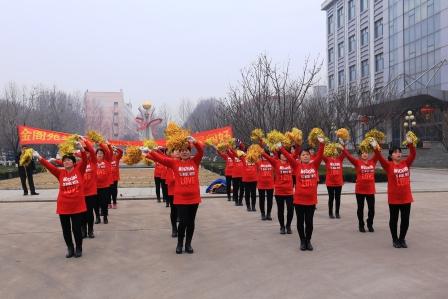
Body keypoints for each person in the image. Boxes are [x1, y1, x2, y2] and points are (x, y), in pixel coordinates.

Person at [144, 137, 204, 254]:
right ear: (179, 153)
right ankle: (180, 244)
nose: (185, 152)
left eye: (187, 150)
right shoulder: (174, 163)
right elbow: (161, 159)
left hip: (194, 198)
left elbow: (201, 151)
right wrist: (150, 151)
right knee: (182, 222)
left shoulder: (195, 161)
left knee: (191, 222)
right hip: (181, 198)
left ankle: (188, 244)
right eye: (182, 150)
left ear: (189, 151)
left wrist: (194, 142)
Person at [33, 141, 87, 258]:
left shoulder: (79, 170)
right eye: (65, 160)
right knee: (66, 230)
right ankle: (70, 248)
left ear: (73, 162)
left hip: (77, 206)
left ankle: (78, 248)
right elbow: (49, 166)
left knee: (77, 229)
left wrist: (82, 149)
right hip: (63, 206)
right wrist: (39, 157)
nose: (66, 162)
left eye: (69, 160)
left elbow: (85, 160)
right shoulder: (60, 173)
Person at [372, 137, 416, 248]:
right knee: (394, 219)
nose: (398, 154)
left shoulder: (406, 163)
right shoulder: (388, 165)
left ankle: (402, 239)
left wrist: (411, 144)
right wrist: (375, 147)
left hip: (406, 197)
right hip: (394, 198)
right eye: (395, 152)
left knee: (405, 220)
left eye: (399, 152)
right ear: (391, 156)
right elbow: (379, 158)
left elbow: (413, 154)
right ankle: (395, 239)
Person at [282, 137, 324, 251]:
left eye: (307, 155)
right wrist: (280, 147)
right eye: (303, 155)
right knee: (300, 222)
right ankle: (302, 241)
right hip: (299, 200)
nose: (305, 156)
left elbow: (320, 155)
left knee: (309, 223)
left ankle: (308, 241)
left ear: (310, 156)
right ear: (300, 157)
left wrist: (322, 143)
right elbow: (288, 156)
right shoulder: (296, 166)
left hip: (311, 200)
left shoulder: (314, 165)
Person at [342, 142, 378, 233]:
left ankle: (370, 223)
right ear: (360, 154)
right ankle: (361, 224)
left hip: (370, 190)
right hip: (360, 190)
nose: (365, 154)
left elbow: (378, 154)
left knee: (372, 209)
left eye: (366, 152)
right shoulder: (357, 162)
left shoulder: (372, 161)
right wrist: (343, 146)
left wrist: (375, 146)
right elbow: (349, 156)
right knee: (360, 208)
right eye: (363, 153)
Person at [148, 147, 179, 238]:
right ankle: (174, 228)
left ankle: (180, 226)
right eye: (175, 150)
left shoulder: (184, 161)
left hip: (181, 190)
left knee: (181, 210)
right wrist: (152, 151)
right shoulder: (168, 160)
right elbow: (159, 157)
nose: (177, 152)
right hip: (172, 189)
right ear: (171, 153)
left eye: (179, 150)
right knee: (173, 210)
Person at [261, 148, 294, 235]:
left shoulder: (291, 162)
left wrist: (297, 143)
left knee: (290, 209)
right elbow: (267, 157)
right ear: (279, 156)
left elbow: (297, 151)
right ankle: (282, 226)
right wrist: (262, 151)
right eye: (282, 154)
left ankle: (288, 225)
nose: (284, 156)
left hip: (289, 191)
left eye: (285, 154)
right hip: (279, 191)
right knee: (281, 210)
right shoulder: (276, 163)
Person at [322, 147, 346, 219]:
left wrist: (343, 146)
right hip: (330, 183)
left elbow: (345, 153)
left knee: (338, 198)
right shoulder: (327, 160)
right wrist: (324, 146)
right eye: (333, 151)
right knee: (331, 198)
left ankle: (337, 213)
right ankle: (330, 213)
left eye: (336, 151)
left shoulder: (340, 159)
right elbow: (321, 155)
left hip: (339, 182)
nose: (334, 152)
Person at [96, 142, 112, 224]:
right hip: (95, 187)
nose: (99, 154)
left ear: (103, 155)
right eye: (98, 153)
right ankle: (97, 217)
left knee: (104, 202)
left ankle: (105, 217)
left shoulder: (107, 161)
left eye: (101, 153)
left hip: (105, 186)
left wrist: (101, 144)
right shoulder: (93, 162)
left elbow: (108, 151)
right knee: (96, 204)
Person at [256, 153, 275, 220]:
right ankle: (263, 213)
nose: (264, 157)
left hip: (270, 185)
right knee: (262, 200)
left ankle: (269, 213)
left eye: (266, 155)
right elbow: (251, 158)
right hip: (261, 185)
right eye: (263, 155)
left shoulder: (272, 162)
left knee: (269, 200)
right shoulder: (258, 162)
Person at [108, 144, 123, 209]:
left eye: (113, 151)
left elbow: (121, 152)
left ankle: (114, 202)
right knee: (108, 191)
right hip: (108, 178)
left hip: (115, 178)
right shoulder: (107, 158)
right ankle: (109, 203)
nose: (113, 151)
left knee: (114, 190)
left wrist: (116, 148)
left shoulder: (116, 157)